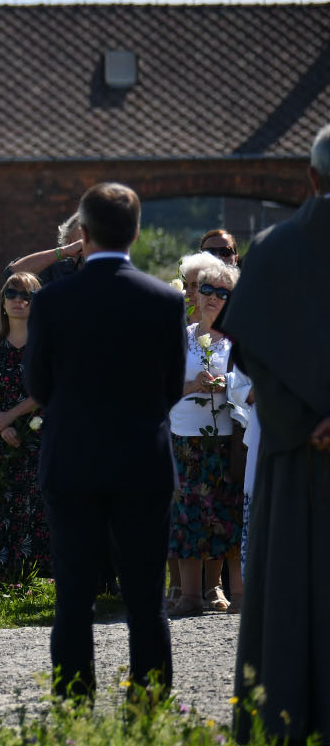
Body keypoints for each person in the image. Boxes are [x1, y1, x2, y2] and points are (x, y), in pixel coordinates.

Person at [24, 183, 186, 701]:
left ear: (84, 234)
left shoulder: (51, 301)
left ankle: (74, 701)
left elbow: (37, 387)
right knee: (146, 596)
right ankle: (150, 701)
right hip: (142, 460)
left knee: (73, 595)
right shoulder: (164, 300)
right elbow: (170, 386)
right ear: (136, 233)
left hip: (72, 461)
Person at [223, 123, 330, 744]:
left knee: (290, 596)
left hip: (297, 459)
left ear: (311, 178)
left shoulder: (273, 247)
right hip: (300, 446)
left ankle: (283, 724)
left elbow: (254, 352)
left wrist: (299, 423)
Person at [165, 254, 243, 618]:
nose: (212, 297)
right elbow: (160, 388)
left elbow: (251, 383)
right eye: (206, 289)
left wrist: (225, 385)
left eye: (222, 292)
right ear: (195, 295)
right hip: (185, 438)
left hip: (226, 439)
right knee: (187, 517)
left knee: (227, 514)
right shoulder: (180, 338)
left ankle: (231, 592)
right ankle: (189, 597)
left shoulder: (238, 342)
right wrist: (190, 386)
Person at [0, 270, 50, 586]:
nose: (19, 301)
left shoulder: (46, 344)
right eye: (12, 294)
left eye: (27, 296)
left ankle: (37, 573)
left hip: (41, 434)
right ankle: (3, 576)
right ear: (3, 302)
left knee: (37, 504)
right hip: (2, 439)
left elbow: (47, 388)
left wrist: (11, 415)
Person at [6, 212, 85, 286]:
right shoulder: (56, 270)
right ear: (70, 241)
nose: (92, 242)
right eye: (85, 236)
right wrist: (63, 251)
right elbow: (14, 273)